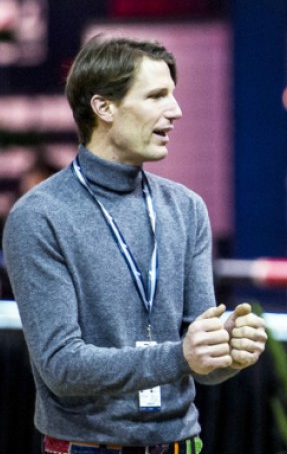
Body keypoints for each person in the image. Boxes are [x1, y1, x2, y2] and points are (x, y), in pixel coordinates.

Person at [3, 35, 267, 454]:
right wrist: (181, 355)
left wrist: (226, 350)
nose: (176, 111)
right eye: (157, 96)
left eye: (173, 95)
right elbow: (62, 367)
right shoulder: (40, 216)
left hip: (182, 444)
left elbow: (200, 365)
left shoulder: (186, 208)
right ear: (103, 106)